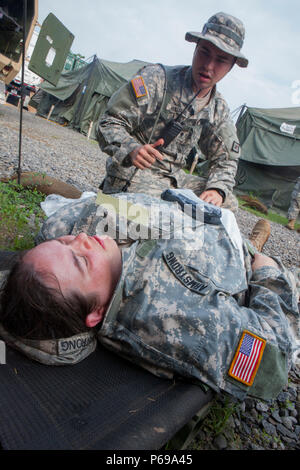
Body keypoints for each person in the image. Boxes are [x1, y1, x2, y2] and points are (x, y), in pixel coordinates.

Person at [0, 192, 299, 401]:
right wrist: (267, 273)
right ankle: (257, 243)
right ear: (97, 312)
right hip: (239, 258)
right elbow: (273, 361)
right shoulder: (171, 317)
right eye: (80, 261)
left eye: (64, 243)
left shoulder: (61, 228)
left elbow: (109, 205)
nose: (79, 240)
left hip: (191, 214)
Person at [97, 12, 248, 212]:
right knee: (144, 216)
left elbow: (226, 159)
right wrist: (132, 149)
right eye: (204, 52)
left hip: (173, 179)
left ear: (230, 67)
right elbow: (109, 122)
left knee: (227, 203)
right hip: (135, 172)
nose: (209, 66)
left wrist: (217, 189)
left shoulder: (217, 108)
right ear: (195, 49)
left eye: (220, 60)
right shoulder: (156, 79)